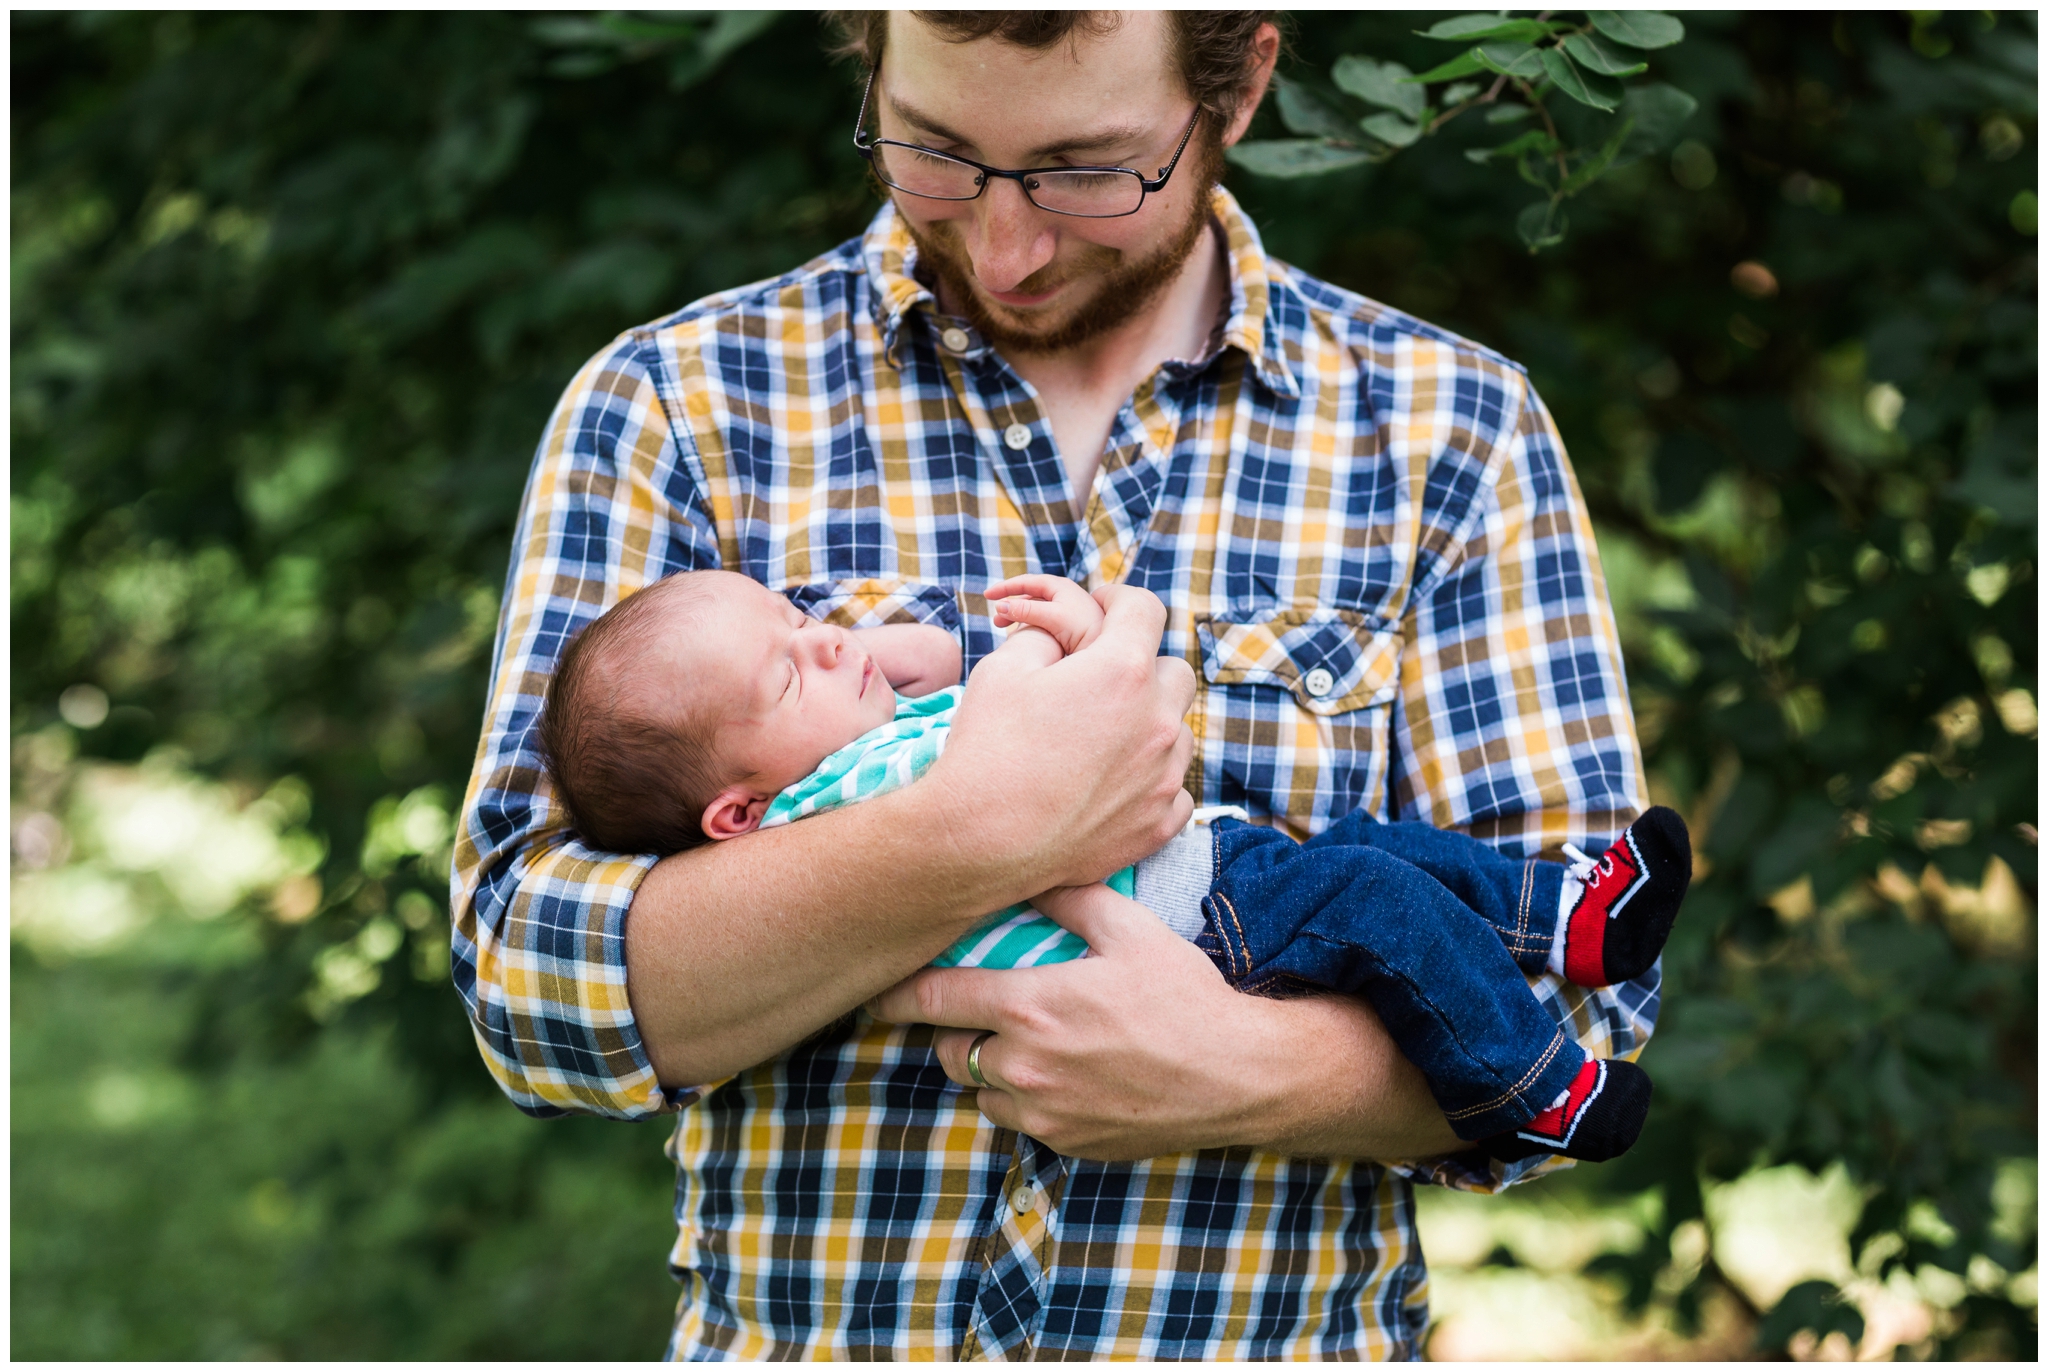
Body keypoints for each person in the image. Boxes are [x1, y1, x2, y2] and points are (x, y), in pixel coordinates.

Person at [452, 10, 1661, 1359]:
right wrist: (981, 828)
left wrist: (1252, 1075)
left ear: (1243, 83)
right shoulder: (674, 403)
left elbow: (1586, 1020)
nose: (1007, 248)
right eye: (935, 152)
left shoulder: (1454, 430)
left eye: (1088, 171)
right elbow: (526, 981)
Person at [538, 567, 1688, 1161]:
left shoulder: (849, 749)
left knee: (1367, 851)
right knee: (1378, 895)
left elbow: (943, 676)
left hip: (1205, 875)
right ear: (734, 813)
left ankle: (1575, 917)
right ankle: (1530, 1090)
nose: (828, 637)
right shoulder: (832, 797)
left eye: (798, 615)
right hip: (1188, 928)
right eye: (784, 673)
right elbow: (991, 698)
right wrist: (1063, 636)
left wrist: (808, 655)